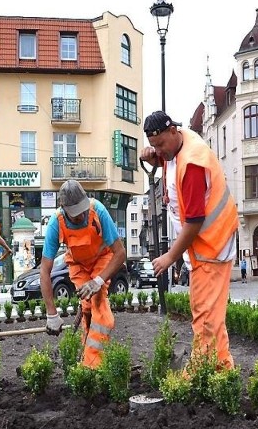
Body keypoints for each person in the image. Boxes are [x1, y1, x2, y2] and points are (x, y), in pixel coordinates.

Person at [140, 110, 239, 371]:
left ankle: (201, 373)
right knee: (207, 311)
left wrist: (170, 257)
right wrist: (153, 156)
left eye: (160, 145)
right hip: (203, 246)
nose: (159, 150)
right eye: (154, 146)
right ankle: (221, 368)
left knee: (206, 314)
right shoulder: (176, 146)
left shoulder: (192, 165)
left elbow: (194, 220)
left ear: (172, 130)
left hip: (212, 244)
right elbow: (168, 158)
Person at [41, 179, 127, 369]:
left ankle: (92, 364)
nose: (81, 215)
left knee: (98, 304)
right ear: (63, 208)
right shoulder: (56, 223)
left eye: (82, 209)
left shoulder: (98, 211)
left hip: (102, 260)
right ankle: (88, 354)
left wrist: (98, 281)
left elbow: (120, 253)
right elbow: (45, 270)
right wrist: (52, 314)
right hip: (78, 265)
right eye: (76, 213)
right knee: (87, 308)